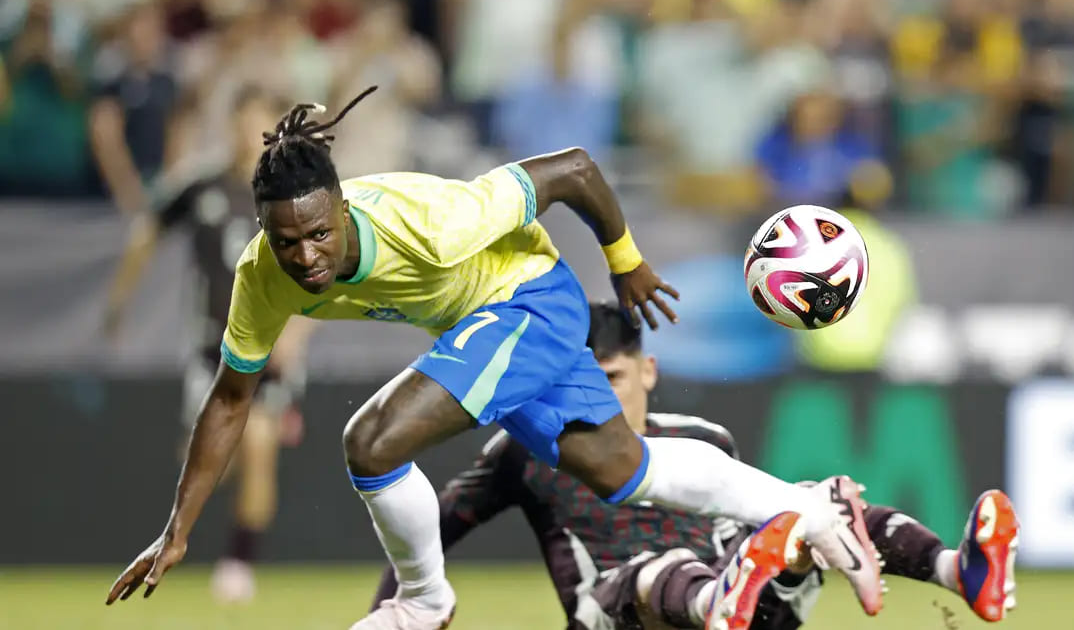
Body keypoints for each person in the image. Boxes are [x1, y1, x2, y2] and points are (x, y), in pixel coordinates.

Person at [105, 86, 885, 629]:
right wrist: (178, 530)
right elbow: (230, 398)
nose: (306, 256)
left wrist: (625, 261)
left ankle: (424, 602)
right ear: (263, 232)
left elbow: (575, 169)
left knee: (371, 442)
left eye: (319, 233)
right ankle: (813, 509)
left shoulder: (431, 222)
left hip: (528, 300)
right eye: (287, 241)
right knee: (624, 470)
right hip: (489, 323)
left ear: (343, 207)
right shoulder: (261, 277)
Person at [370, 302, 1021, 629]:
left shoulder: (701, 439)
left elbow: (743, 527)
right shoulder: (527, 450)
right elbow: (434, 526)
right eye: (580, 383)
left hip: (740, 606)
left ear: (648, 371)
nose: (598, 398)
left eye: (612, 378)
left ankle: (959, 571)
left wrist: (797, 538)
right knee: (660, 568)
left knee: (811, 504)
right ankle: (718, 600)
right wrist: (401, 611)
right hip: (614, 615)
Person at [103, 86, 314, 603]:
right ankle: (187, 526)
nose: (250, 135)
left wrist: (296, 335)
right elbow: (147, 231)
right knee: (207, 461)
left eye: (261, 126)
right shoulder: (200, 185)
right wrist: (119, 302)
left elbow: (319, 277)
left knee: (259, 444)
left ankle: (239, 564)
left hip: (268, 348)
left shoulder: (293, 196)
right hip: (211, 351)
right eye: (243, 122)